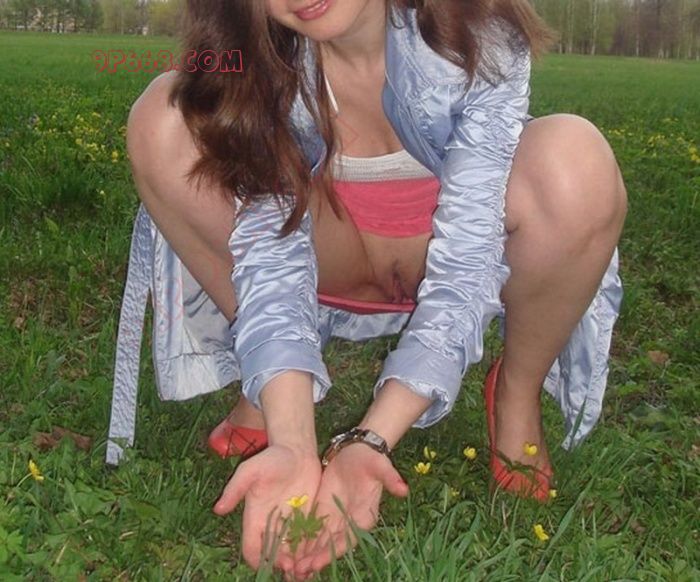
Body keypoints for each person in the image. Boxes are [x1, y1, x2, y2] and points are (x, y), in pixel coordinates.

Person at [121, 0, 627, 577]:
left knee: (576, 160)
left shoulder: (475, 29)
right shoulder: (252, 60)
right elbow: (269, 252)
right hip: (328, 255)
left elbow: (468, 257)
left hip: (452, 251)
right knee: (164, 116)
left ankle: (516, 388)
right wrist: (293, 441)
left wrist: (372, 439)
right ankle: (274, 389)